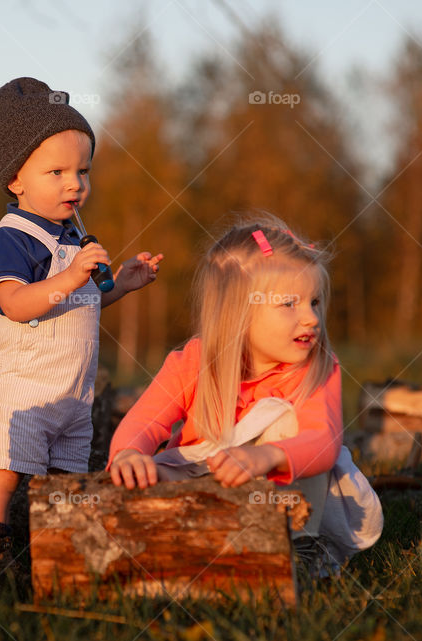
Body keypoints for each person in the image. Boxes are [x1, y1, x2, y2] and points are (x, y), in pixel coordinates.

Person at [108, 217, 382, 577]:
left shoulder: (316, 366)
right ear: (238, 312)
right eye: (290, 304)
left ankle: (299, 550)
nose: (312, 318)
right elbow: (146, 421)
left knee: (284, 417)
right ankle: (182, 548)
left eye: (314, 302)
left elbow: (322, 442)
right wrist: (128, 454)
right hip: (207, 476)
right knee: (149, 477)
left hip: (287, 492)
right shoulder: (193, 361)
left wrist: (266, 456)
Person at [0, 77, 163, 580]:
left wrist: (121, 284)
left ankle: (56, 564)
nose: (74, 183)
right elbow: (14, 303)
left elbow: (86, 302)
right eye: (56, 171)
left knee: (63, 484)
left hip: (72, 394)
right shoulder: (13, 238)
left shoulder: (74, 235)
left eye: (82, 170)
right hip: (24, 391)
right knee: (3, 474)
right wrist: (70, 273)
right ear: (16, 179)